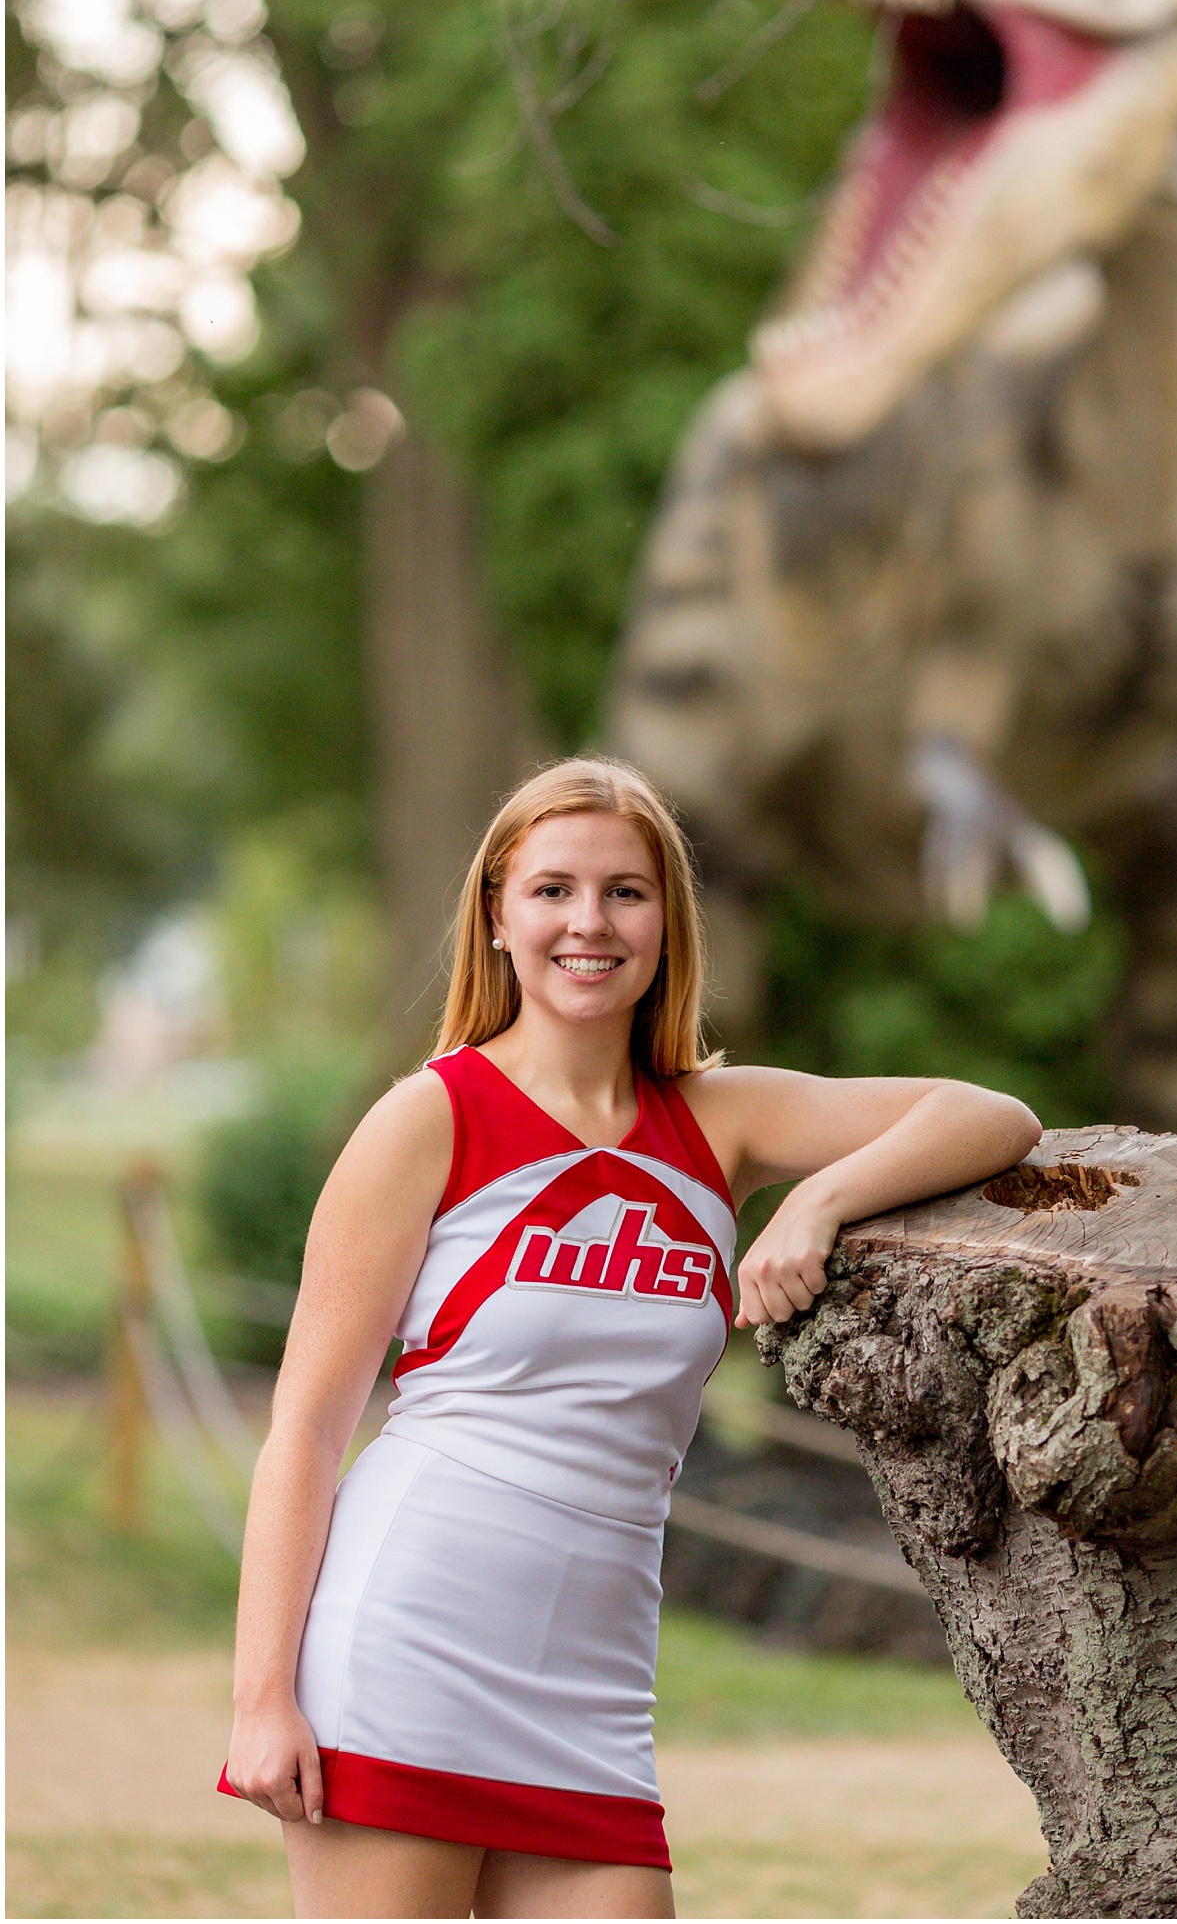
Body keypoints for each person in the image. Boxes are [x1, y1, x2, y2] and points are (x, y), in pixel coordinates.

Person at [221, 757, 1042, 1920]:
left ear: (667, 921)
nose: (589, 922)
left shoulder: (719, 1120)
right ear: (498, 916)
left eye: (626, 892)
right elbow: (305, 1426)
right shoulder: (431, 1117)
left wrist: (815, 1200)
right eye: (553, 889)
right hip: (408, 1639)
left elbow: (990, 1115)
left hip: (593, 1683)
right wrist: (263, 1698)